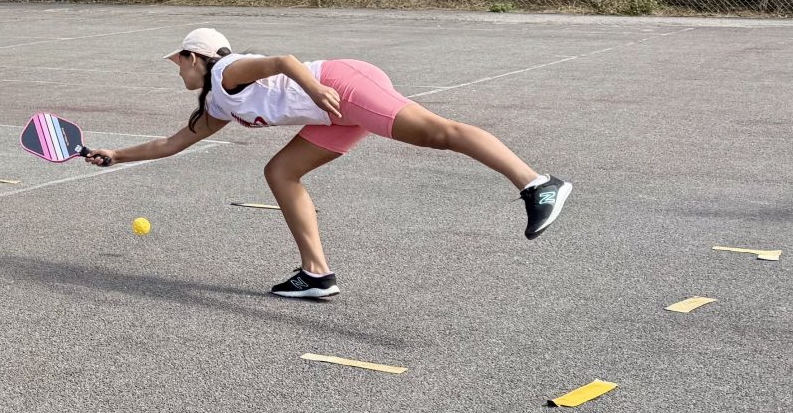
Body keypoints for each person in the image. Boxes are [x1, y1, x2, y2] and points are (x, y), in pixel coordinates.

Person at [84, 28, 572, 297]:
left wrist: (316, 88)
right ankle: (316, 274)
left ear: (196, 57)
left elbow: (284, 60)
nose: (178, 69)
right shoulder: (217, 103)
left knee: (436, 133)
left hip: (341, 85)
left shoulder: (229, 70)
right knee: (280, 172)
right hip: (330, 111)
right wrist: (116, 154)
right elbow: (171, 144)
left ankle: (537, 183)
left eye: (180, 61)